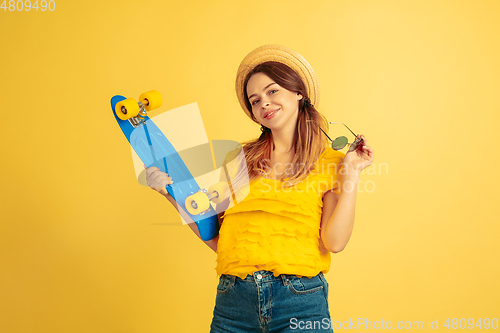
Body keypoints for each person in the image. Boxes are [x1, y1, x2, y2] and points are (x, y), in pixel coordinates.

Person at [145, 45, 374, 332]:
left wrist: (351, 173)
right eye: (255, 100)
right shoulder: (240, 159)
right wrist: (170, 194)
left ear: (299, 93)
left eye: (272, 91)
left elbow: (335, 243)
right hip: (233, 304)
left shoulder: (331, 161)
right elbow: (216, 237)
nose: (264, 103)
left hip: (299, 302)